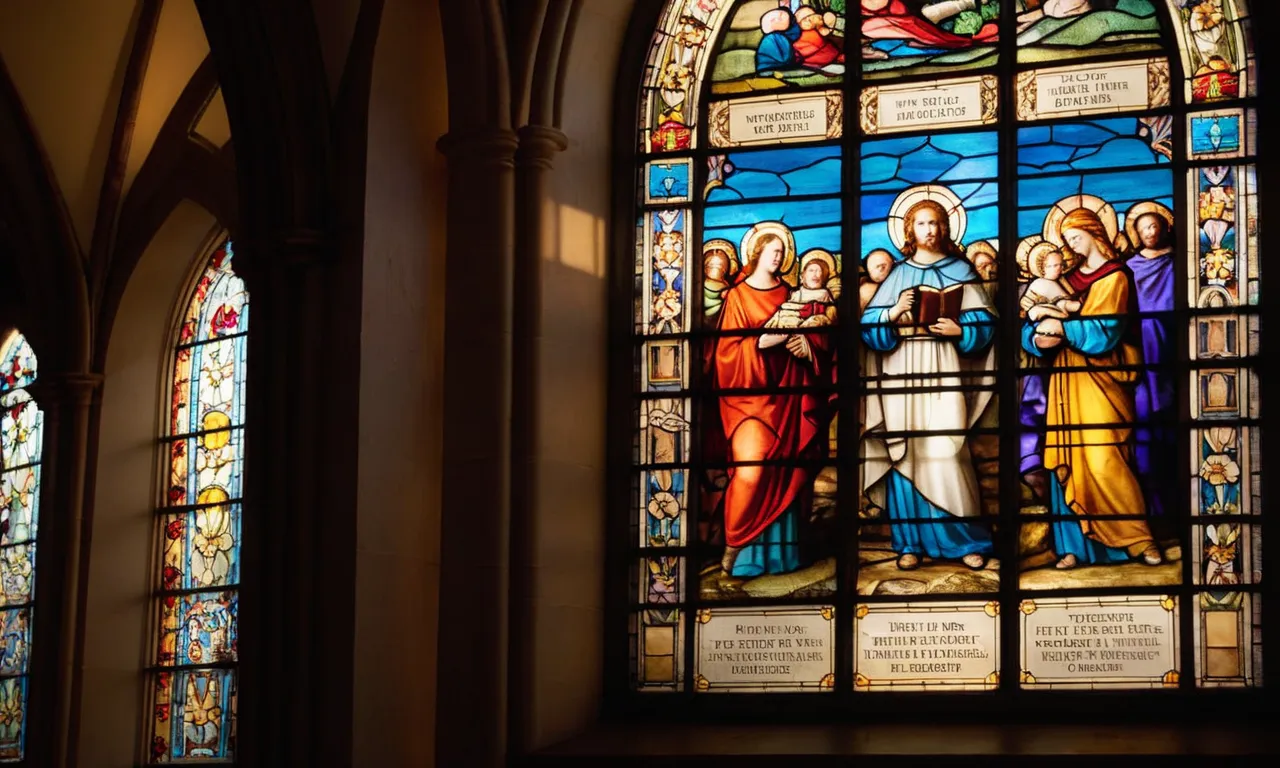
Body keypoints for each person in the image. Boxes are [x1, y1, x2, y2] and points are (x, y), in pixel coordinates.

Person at [860, 198, 996, 571]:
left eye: (935, 223)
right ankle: (910, 542)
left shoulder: (961, 271)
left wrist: (962, 329)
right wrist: (891, 311)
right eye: (921, 224)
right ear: (909, 231)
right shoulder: (898, 274)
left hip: (943, 363)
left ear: (945, 228)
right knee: (906, 452)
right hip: (901, 365)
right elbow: (870, 328)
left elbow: (985, 326)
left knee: (947, 450)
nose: (930, 230)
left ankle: (965, 539)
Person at [1022, 207, 1163, 569]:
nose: (1070, 245)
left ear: (1095, 233)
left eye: (1075, 237)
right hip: (1066, 381)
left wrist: (1062, 329)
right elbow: (1030, 327)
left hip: (1103, 379)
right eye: (1066, 239)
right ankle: (1073, 546)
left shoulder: (1115, 277)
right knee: (1067, 455)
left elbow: (1106, 332)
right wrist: (1037, 337)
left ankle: (1138, 539)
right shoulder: (1065, 280)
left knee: (1105, 458)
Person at [715, 229, 833, 577]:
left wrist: (807, 347)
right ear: (756, 252)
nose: (778, 256)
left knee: (789, 469)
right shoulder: (737, 297)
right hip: (748, 401)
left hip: (790, 399)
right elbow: (726, 353)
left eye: (783, 251)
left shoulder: (791, 294)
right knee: (751, 472)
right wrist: (762, 343)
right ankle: (734, 546)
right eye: (772, 250)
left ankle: (783, 556)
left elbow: (823, 342)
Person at [1125, 204, 1177, 519]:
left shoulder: (1178, 261)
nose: (1150, 231)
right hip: (1138, 347)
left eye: (1155, 225)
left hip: (1170, 344)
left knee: (1170, 424)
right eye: (1144, 227)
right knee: (1142, 425)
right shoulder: (1129, 266)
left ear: (1165, 228)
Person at [861, 0, 998, 61]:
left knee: (926, 16)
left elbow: (911, 18)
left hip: (919, 24)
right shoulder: (864, 19)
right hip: (912, 29)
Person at [766, 251, 838, 329]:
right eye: (811, 270)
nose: (815, 274)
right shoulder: (794, 294)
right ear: (802, 276)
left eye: (819, 271)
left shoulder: (824, 294)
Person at [1019, 243, 1082, 321]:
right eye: (1055, 265)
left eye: (1061, 265)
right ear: (1044, 267)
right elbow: (1065, 301)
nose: (1060, 268)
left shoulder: (1059, 281)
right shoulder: (1041, 283)